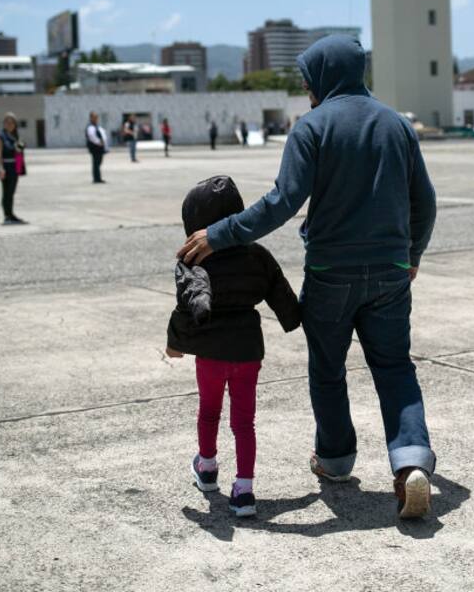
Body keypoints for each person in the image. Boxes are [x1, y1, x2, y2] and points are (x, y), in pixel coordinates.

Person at [177, 35, 438, 520]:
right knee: (395, 368)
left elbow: (281, 204)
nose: (304, 86)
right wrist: (413, 254)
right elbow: (425, 201)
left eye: (307, 77)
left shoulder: (312, 128)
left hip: (330, 274)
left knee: (328, 369)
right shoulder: (397, 126)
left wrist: (220, 234)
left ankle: (336, 461)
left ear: (324, 75)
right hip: (390, 273)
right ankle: (410, 464)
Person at [166, 176, 301, 518]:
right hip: (248, 351)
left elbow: (188, 303)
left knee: (209, 411)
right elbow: (282, 295)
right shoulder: (258, 256)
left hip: (210, 351)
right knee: (244, 421)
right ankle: (244, 490)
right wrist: (294, 318)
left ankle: (207, 468)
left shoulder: (195, 259)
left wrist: (175, 345)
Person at [0, 112, 27, 225]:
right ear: (3, 124)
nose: (9, 124)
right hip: (5, 167)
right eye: (7, 122)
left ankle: (11, 214)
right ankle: (7, 216)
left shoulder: (15, 136)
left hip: (14, 167)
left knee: (11, 192)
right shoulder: (0, 136)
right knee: (6, 192)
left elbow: (18, 153)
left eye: (12, 122)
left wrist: (19, 169)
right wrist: (0, 168)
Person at [85, 111, 108, 183]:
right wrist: (99, 142)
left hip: (99, 147)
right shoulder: (90, 127)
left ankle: (98, 177)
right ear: (91, 118)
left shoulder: (97, 126)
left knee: (98, 162)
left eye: (96, 117)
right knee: (96, 163)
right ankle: (96, 179)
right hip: (95, 147)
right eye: (94, 117)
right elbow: (92, 137)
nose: (96, 119)